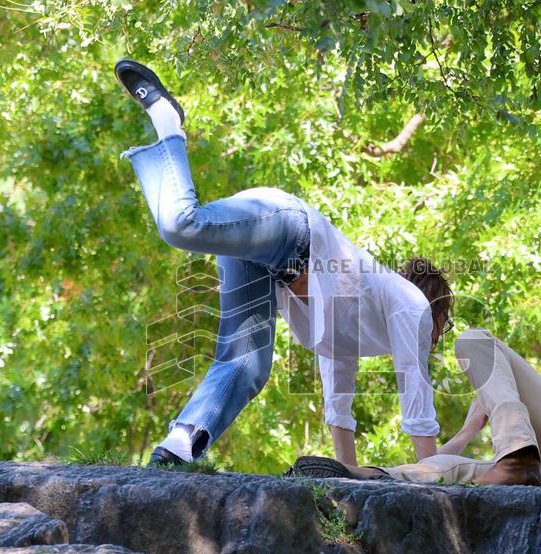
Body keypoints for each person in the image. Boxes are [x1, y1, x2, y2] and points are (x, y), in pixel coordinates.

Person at [114, 60, 452, 466]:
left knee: (247, 363)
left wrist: (345, 470)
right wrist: (433, 478)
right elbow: (415, 392)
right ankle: (169, 120)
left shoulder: (360, 324)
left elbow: (337, 378)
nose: (439, 337)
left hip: (269, 265)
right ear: (434, 313)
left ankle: (178, 448)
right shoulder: (410, 304)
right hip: (288, 227)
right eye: (443, 324)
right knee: (180, 225)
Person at [286, 328, 541, 491]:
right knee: (442, 467)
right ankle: (369, 476)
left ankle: (519, 458)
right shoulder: (512, 419)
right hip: (536, 479)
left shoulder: (540, 408)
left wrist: (511, 401)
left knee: (473, 341)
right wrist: (469, 429)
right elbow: (435, 461)